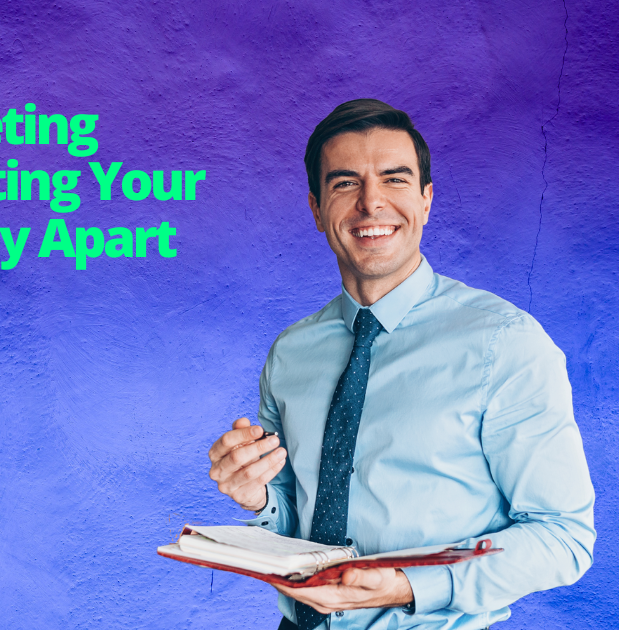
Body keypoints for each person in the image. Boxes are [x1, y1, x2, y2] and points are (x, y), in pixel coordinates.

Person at [207, 99, 595, 630]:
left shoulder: (505, 343)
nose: (372, 203)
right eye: (345, 183)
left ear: (426, 200)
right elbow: (297, 519)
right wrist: (258, 497)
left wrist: (411, 586)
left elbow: (562, 536)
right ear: (317, 210)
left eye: (394, 179)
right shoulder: (291, 353)